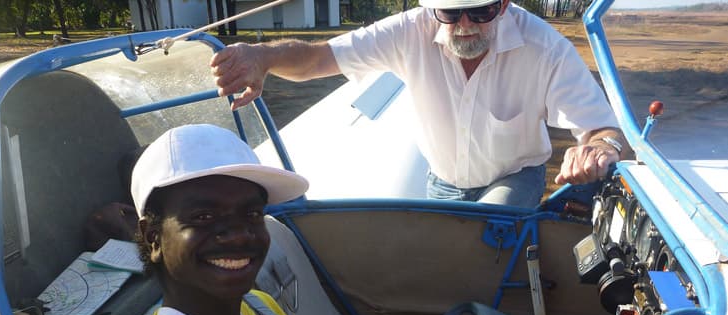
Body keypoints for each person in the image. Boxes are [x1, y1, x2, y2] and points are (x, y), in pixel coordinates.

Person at [210, 0, 632, 208]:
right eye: (450, 13)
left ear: (503, 4)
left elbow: (603, 129)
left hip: (514, 176)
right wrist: (264, 56)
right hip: (441, 180)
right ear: (431, 9)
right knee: (438, 266)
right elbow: (320, 57)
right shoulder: (407, 30)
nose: (465, 26)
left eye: (481, 11)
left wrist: (599, 148)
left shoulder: (546, 47)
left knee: (490, 244)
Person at [120, 124, 347, 315]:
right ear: (154, 238)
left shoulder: (261, 310)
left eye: (252, 214)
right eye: (203, 216)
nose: (239, 235)